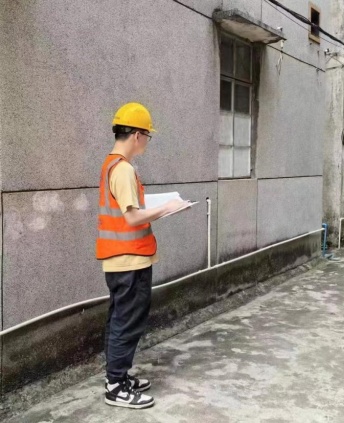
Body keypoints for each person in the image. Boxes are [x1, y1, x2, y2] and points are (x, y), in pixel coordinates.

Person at [96, 102, 191, 409]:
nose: (147, 141)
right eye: (147, 135)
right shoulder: (123, 169)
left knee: (120, 320)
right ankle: (115, 386)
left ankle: (118, 378)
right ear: (137, 135)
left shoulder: (111, 165)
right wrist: (168, 208)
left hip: (120, 258)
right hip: (129, 259)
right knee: (127, 322)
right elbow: (132, 217)